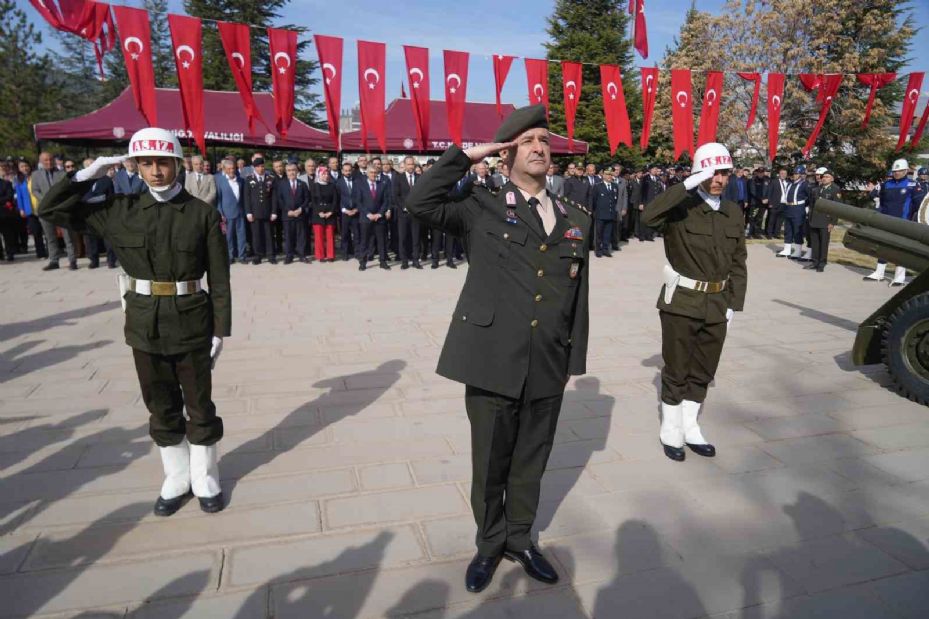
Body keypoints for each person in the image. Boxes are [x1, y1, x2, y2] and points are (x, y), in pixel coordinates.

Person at [406, 104, 591, 594]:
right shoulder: (481, 205)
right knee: (490, 460)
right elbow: (419, 203)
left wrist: (574, 359)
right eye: (527, 141)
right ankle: (489, 542)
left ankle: (520, 538)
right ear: (507, 152)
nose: (539, 148)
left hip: (547, 359)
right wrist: (466, 157)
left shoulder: (575, 219)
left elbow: (579, 297)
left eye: (545, 142)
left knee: (532, 457)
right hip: (491, 358)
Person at [37, 128, 230, 516]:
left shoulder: (202, 214)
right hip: (144, 323)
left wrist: (219, 330)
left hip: (192, 320)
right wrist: (85, 175)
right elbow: (50, 210)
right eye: (146, 163)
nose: (156, 171)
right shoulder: (117, 210)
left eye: (163, 162)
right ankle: (176, 476)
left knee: (199, 404)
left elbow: (220, 279)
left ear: (177, 164)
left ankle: (205, 474)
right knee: (159, 402)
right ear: (136, 165)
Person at [642, 142, 747, 463]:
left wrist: (733, 304)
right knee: (677, 368)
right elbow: (647, 217)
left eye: (725, 173)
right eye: (713, 172)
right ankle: (670, 429)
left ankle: (690, 426)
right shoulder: (680, 208)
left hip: (717, 301)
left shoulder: (732, 212)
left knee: (703, 370)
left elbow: (739, 261)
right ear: (700, 172)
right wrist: (686, 183)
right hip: (682, 301)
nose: (719, 179)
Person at [864, 158, 925, 285]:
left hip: (903, 222)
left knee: (901, 249)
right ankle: (879, 273)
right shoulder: (886, 184)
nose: (897, 173)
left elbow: (919, 204)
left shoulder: (913, 185)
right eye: (895, 171)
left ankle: (899, 277)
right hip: (886, 221)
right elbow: (873, 195)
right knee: (882, 246)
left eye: (900, 171)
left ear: (906, 171)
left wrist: (913, 221)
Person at [31, 151, 73, 270]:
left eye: (50, 160)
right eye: (45, 160)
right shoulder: (35, 175)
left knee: (67, 235)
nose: (48, 162)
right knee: (50, 237)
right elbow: (35, 190)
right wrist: (46, 200)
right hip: (45, 210)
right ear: (41, 162)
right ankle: (54, 260)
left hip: (60, 209)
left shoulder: (61, 174)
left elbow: (66, 189)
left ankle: (72, 260)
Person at [352, 162, 390, 271]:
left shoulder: (382, 184)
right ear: (367, 173)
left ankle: (383, 262)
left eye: (375, 172)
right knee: (364, 241)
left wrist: (379, 213)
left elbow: (386, 201)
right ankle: (363, 262)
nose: (373, 174)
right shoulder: (360, 184)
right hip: (366, 218)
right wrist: (368, 214)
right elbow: (358, 202)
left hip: (379, 218)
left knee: (381, 240)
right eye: (371, 172)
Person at [243, 157, 277, 265]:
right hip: (255, 212)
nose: (261, 168)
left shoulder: (270, 178)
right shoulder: (249, 179)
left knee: (269, 235)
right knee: (256, 235)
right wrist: (248, 212)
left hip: (268, 212)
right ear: (254, 168)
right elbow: (247, 196)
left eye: (262, 166)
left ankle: (271, 255)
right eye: (258, 167)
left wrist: (274, 211)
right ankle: (258, 255)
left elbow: (274, 197)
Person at [274, 162, 310, 263]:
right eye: (289, 170)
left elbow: (307, 199)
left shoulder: (302, 184)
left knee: (301, 236)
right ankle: (289, 256)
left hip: (300, 214)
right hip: (287, 215)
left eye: (293, 170)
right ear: (286, 172)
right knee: (289, 236)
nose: (291, 172)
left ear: (297, 171)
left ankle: (302, 255)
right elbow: (279, 199)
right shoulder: (281, 184)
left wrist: (300, 209)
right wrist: (287, 210)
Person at [392, 156, 423, 269]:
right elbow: (396, 196)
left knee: (416, 238)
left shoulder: (420, 177)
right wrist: (404, 207)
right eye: (408, 164)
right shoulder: (398, 178)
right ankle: (404, 261)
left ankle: (415, 260)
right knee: (403, 238)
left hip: (415, 214)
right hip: (403, 214)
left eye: (412, 164)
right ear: (404, 166)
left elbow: (422, 195)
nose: (410, 166)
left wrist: (416, 207)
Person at [806, 169, 839, 272]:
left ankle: (822, 263)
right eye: (824, 177)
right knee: (814, 242)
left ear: (832, 179)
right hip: (814, 220)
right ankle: (815, 261)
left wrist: (832, 222)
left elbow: (837, 208)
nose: (824, 178)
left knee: (824, 243)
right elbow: (812, 205)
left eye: (827, 177)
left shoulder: (835, 189)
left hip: (825, 221)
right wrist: (809, 217)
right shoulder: (816, 189)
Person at [215, 159, 247, 264]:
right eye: (229, 168)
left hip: (240, 212)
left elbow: (244, 197)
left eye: (233, 168)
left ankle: (242, 256)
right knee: (228, 237)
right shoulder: (220, 181)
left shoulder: (241, 180)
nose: (231, 170)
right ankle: (230, 256)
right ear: (224, 169)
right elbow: (218, 199)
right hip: (227, 214)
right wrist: (221, 213)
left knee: (242, 236)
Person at [776, 166, 809, 259]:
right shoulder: (790, 184)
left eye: (796, 174)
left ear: (802, 175)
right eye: (794, 173)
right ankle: (787, 249)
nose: (794, 175)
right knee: (788, 229)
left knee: (797, 230)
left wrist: (804, 206)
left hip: (798, 209)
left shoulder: (804, 184)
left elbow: (809, 197)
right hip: (788, 208)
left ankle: (798, 251)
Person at [310, 166, 338, 262]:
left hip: (330, 213)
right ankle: (320, 255)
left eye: (327, 174)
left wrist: (331, 212)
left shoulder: (332, 186)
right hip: (318, 214)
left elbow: (335, 200)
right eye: (323, 174)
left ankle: (330, 255)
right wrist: (319, 212)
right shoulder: (314, 186)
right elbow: (313, 201)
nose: (326, 176)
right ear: (319, 175)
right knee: (319, 236)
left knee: (330, 235)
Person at [590, 167, 619, 257]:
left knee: (607, 234)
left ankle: (606, 249)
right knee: (599, 234)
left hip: (610, 214)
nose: (609, 176)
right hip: (600, 214)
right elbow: (593, 200)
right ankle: (598, 250)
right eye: (607, 174)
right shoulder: (598, 186)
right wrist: (594, 212)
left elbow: (615, 200)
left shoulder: (615, 186)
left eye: (610, 174)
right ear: (603, 175)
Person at [336, 161, 360, 260]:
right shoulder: (338, 183)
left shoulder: (357, 181)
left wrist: (356, 209)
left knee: (357, 234)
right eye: (345, 171)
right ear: (342, 171)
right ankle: (345, 253)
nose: (348, 172)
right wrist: (344, 210)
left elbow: (360, 197)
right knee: (345, 234)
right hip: (344, 213)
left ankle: (358, 253)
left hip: (356, 212)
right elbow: (338, 199)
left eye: (349, 170)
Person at [638, 164, 664, 241]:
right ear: (650, 170)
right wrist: (641, 203)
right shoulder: (645, 178)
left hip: (654, 203)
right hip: (646, 202)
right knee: (644, 219)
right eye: (654, 169)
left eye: (656, 169)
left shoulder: (658, 179)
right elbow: (641, 191)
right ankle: (642, 235)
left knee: (652, 219)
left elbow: (660, 191)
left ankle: (649, 235)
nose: (655, 170)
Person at [765, 168, 788, 239]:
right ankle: (769, 234)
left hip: (784, 204)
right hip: (774, 203)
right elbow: (769, 192)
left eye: (785, 174)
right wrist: (770, 202)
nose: (783, 175)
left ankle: (777, 233)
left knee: (780, 220)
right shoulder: (774, 181)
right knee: (772, 219)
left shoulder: (788, 182)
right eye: (782, 173)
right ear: (779, 174)